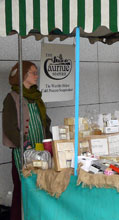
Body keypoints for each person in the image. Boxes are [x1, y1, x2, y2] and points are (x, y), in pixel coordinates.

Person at [2, 61, 52, 220]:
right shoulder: (12, 98)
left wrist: (49, 139)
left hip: (39, 149)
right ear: (23, 75)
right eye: (33, 72)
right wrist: (24, 144)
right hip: (22, 150)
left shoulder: (37, 97)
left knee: (40, 184)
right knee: (23, 188)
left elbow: (45, 120)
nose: (37, 76)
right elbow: (9, 127)